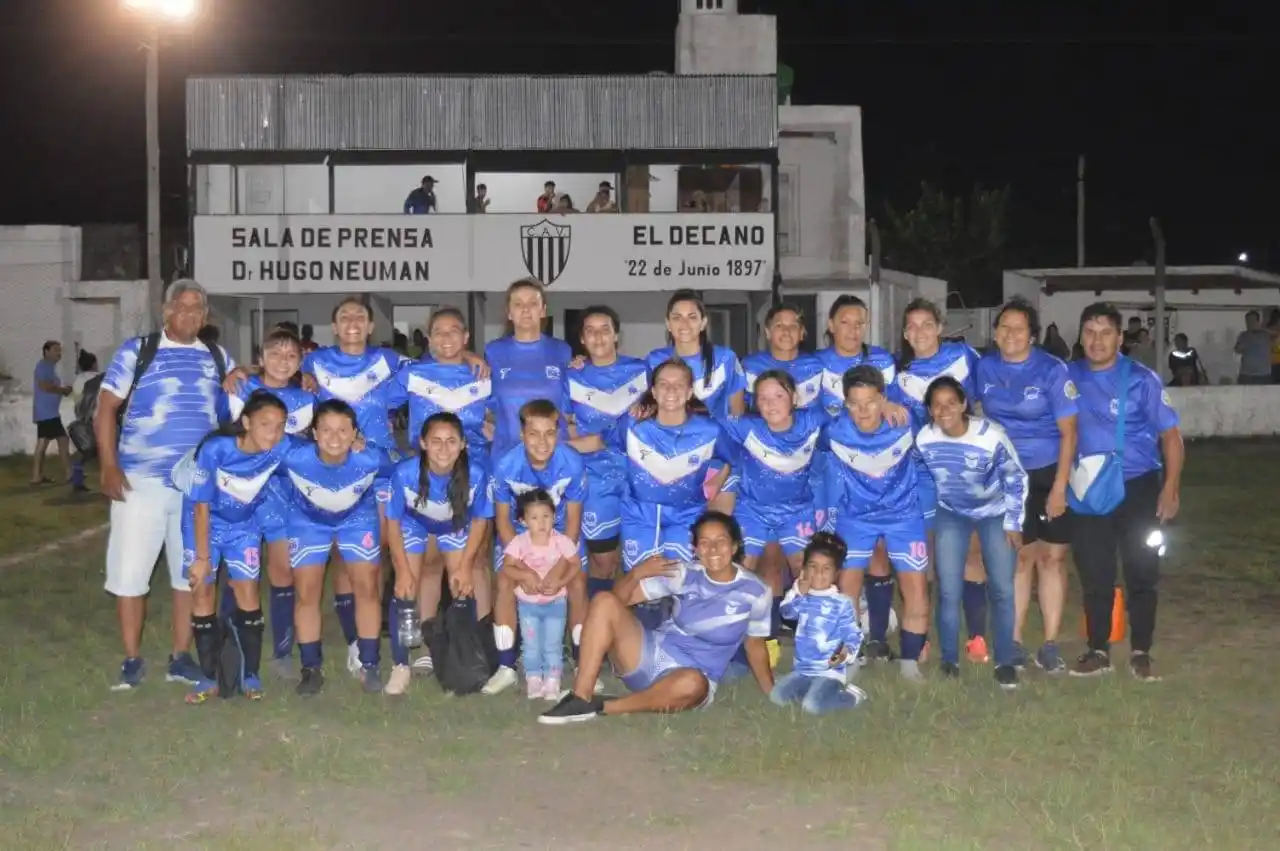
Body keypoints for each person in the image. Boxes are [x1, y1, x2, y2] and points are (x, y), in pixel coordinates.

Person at [96, 280, 233, 690]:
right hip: (140, 483)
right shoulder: (138, 351)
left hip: (196, 490)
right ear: (166, 311)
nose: (190, 315)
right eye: (182, 307)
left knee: (187, 575)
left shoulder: (217, 356)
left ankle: (180, 656)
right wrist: (108, 465)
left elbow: (239, 406)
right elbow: (105, 409)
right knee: (131, 574)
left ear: (205, 316)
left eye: (197, 309)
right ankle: (132, 659)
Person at [539, 511, 774, 725]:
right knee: (603, 600)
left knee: (693, 683)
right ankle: (580, 696)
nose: (712, 549)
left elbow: (754, 645)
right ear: (695, 549)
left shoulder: (756, 591)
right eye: (704, 542)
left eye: (720, 541)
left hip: (691, 678)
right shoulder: (684, 573)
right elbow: (615, 603)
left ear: (734, 546)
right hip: (648, 655)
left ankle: (605, 706)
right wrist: (636, 574)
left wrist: (770, 692)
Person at [1067, 302, 1183, 681]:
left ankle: (1140, 651)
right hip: (1087, 486)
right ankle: (1098, 649)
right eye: (1089, 332)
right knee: (1095, 572)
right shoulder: (1067, 378)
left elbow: (1171, 435)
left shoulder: (1141, 379)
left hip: (1138, 486)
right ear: (1080, 336)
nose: (1096, 340)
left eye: (1105, 333)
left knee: (1142, 570)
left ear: (1120, 338)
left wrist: (1170, 488)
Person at [973, 297, 1077, 673]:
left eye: (1019, 328)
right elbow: (954, 405)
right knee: (1018, 558)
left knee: (1053, 558)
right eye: (1003, 327)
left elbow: (1069, 432)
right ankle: (1013, 642)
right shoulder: (984, 368)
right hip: (1007, 476)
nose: (1010, 334)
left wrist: (1060, 487)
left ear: (1033, 335)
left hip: (1050, 471)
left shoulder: (1052, 369)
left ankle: (1049, 643)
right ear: (995, 332)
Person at [815, 294, 911, 659]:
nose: (853, 330)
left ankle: (878, 632)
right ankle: (840, 627)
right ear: (830, 324)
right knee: (841, 547)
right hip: (831, 466)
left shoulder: (882, 361)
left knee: (880, 549)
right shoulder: (815, 364)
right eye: (845, 322)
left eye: (859, 323)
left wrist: (885, 404)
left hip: (876, 468)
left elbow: (896, 408)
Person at [178, 391, 289, 703]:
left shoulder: (281, 447)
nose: (274, 432)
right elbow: (200, 506)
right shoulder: (217, 449)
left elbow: (321, 448)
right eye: (265, 424)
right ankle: (208, 677)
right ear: (246, 422)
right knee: (202, 592)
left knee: (248, 595)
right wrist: (201, 558)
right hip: (203, 524)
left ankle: (250, 674)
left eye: (280, 426)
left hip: (244, 527)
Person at [916, 377, 1027, 689]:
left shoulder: (990, 436)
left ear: (964, 403)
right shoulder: (924, 438)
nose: (944, 409)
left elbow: (1015, 477)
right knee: (948, 589)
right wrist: (925, 519)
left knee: (1002, 588)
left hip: (994, 512)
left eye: (951, 402)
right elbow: (920, 475)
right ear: (929, 410)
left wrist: (1014, 522)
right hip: (951, 513)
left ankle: (1005, 661)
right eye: (937, 404)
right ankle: (949, 660)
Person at [895, 298, 989, 663]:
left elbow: (985, 399)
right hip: (920, 475)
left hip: (965, 469)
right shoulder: (898, 372)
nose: (919, 332)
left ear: (940, 327)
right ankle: (924, 636)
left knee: (971, 552)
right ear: (905, 333)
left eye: (926, 324)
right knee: (926, 560)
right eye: (911, 326)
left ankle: (977, 636)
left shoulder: (964, 357)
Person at [822, 365, 930, 680]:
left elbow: (936, 416)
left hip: (904, 515)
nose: (863, 410)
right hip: (855, 517)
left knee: (916, 589)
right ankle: (851, 657)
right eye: (855, 403)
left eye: (870, 402)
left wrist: (894, 403)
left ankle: (909, 664)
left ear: (883, 398)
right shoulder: (833, 431)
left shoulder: (907, 421)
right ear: (845, 404)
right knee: (846, 588)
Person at [225, 329, 315, 680]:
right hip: (240, 492)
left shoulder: (307, 398)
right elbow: (223, 425)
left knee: (282, 572)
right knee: (238, 575)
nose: (283, 361)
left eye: (291, 355)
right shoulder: (242, 387)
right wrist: (238, 372)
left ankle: (282, 653)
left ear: (300, 362)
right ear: (261, 358)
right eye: (274, 354)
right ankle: (229, 645)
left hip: (283, 495)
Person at [281, 399, 388, 696]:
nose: (335, 437)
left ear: (356, 434)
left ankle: (369, 662)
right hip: (307, 522)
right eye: (326, 430)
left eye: (343, 430)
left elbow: (401, 472)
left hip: (357, 519)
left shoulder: (372, 457)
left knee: (366, 587)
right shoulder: (293, 456)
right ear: (314, 432)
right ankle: (311, 668)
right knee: (307, 593)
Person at [383, 412, 492, 695]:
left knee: (461, 585)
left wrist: (466, 566)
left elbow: (480, 520)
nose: (444, 449)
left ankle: (463, 656)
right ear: (422, 443)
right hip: (413, 523)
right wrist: (403, 570)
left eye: (451, 441)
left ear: (464, 444)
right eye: (436, 441)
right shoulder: (404, 473)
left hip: (453, 524)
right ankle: (400, 665)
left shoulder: (476, 475)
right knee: (406, 589)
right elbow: (392, 523)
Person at [486, 399, 588, 695]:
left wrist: (558, 568)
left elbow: (573, 522)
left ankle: (583, 662)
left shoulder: (572, 462)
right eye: (534, 433)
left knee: (578, 583)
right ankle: (506, 666)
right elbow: (503, 522)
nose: (542, 441)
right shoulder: (505, 465)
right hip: (519, 541)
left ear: (559, 433)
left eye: (549, 433)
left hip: (559, 541)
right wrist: (523, 567)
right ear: (522, 434)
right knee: (505, 582)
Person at [720, 369, 825, 639]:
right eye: (763, 398)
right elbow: (701, 425)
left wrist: (886, 405)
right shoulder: (745, 427)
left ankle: (815, 635)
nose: (771, 403)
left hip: (797, 511)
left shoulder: (814, 421)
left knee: (808, 570)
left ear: (793, 397)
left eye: (778, 396)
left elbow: (854, 417)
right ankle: (734, 637)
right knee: (739, 570)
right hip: (752, 510)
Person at [565, 305, 650, 596]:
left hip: (640, 477)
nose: (598, 336)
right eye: (590, 330)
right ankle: (595, 627)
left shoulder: (642, 371)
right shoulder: (572, 377)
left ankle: (630, 624)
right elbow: (565, 425)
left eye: (605, 329)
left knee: (639, 557)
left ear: (616, 335)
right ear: (582, 339)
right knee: (602, 560)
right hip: (595, 479)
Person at [771, 532, 867, 715]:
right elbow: (786, 614)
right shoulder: (799, 595)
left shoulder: (842, 602)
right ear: (804, 570)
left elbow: (853, 635)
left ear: (836, 573)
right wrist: (799, 592)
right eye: (813, 567)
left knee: (812, 707)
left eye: (826, 569)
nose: (819, 574)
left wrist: (845, 654)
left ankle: (852, 697)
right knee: (777, 697)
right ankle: (810, 691)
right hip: (803, 670)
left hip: (830, 671)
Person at [504, 488, 580, 699]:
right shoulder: (519, 543)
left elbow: (575, 563)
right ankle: (534, 679)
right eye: (534, 517)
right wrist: (524, 576)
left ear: (555, 517)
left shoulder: (561, 541)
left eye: (546, 516)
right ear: (523, 520)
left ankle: (553, 680)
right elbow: (507, 567)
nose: (541, 522)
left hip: (556, 603)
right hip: (528, 605)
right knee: (531, 643)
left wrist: (562, 582)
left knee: (553, 643)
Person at [485, 278, 573, 459]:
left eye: (533, 303)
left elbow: (570, 408)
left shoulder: (562, 351)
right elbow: (487, 406)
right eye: (518, 304)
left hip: (553, 457)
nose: (525, 309)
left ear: (543, 311)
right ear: (509, 313)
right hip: (508, 457)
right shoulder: (493, 351)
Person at [398, 308, 491, 451]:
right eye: (438, 332)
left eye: (454, 331)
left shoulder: (482, 375)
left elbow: (501, 413)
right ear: (430, 340)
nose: (446, 337)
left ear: (465, 337)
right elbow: (380, 403)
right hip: (425, 466)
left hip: (474, 464)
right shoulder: (413, 374)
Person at [646, 290, 747, 422]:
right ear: (668, 324)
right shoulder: (655, 360)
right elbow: (650, 405)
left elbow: (737, 411)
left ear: (703, 323)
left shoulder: (725, 358)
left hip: (717, 440)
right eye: (677, 318)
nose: (684, 324)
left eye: (692, 317)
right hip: (670, 439)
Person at [742, 302, 824, 411]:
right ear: (768, 332)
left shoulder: (817, 366)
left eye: (793, 326)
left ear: (801, 333)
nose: (786, 331)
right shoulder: (749, 366)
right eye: (779, 326)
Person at [31, 340, 73, 485]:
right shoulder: (44, 366)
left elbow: (50, 386)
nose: (59, 353)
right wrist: (62, 390)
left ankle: (37, 476)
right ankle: (69, 474)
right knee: (63, 440)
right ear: (46, 352)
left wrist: (63, 391)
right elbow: (44, 386)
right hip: (47, 413)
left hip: (45, 412)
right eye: (56, 350)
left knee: (42, 443)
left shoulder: (48, 367)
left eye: (59, 350)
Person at [64, 349, 100, 493]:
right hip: (96, 419)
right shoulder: (98, 378)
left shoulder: (77, 380)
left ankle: (77, 481)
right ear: (93, 364)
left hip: (79, 423)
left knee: (84, 452)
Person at [1234, 310, 1272, 385]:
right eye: (1247, 321)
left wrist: (1261, 329)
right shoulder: (1243, 335)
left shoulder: (1266, 334)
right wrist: (1246, 340)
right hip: (1246, 374)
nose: (1248, 323)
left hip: (1263, 374)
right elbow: (1237, 350)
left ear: (1257, 321)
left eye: (1251, 321)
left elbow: (1277, 334)